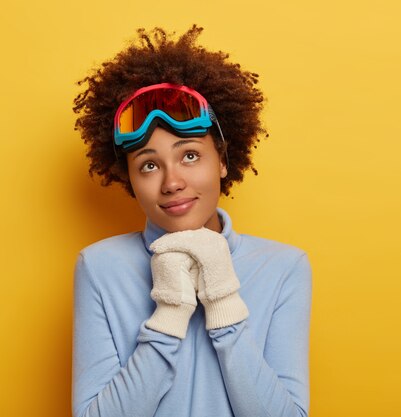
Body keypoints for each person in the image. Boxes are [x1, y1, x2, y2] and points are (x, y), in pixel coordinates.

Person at [71, 26, 312, 417]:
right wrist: (170, 313)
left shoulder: (284, 267)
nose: (172, 182)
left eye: (190, 156)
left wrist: (222, 300)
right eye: (149, 165)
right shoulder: (99, 267)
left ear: (221, 160)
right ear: (129, 180)